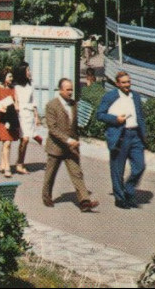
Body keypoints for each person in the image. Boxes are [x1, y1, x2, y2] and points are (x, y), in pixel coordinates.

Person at [43, 78, 99, 211]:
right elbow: (53, 128)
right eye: (67, 89)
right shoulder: (51, 105)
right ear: (60, 90)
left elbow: (73, 126)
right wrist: (68, 140)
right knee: (50, 174)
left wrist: (76, 142)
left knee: (77, 173)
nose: (70, 92)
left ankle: (84, 202)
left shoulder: (74, 104)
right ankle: (46, 197)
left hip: (71, 148)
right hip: (56, 146)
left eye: (71, 89)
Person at [96, 70, 148, 209]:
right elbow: (99, 114)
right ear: (118, 84)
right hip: (120, 135)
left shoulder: (135, 96)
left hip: (135, 135)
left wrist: (144, 133)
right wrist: (115, 119)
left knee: (140, 166)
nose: (127, 85)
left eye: (129, 82)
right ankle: (120, 198)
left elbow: (140, 116)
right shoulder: (110, 96)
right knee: (118, 169)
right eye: (124, 82)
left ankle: (128, 189)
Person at [0, 68, 20, 177]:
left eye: (12, 76)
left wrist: (16, 108)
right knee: (6, 142)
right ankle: (7, 167)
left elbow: (17, 103)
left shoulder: (13, 89)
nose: (11, 79)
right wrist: (4, 109)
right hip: (0, 118)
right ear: (4, 78)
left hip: (10, 118)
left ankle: (2, 164)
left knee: (7, 142)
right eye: (9, 76)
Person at [13, 63, 42, 174]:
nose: (29, 72)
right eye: (28, 70)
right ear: (22, 72)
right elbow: (15, 101)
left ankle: (20, 162)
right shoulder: (15, 86)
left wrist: (36, 116)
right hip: (20, 114)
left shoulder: (30, 85)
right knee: (24, 139)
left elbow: (33, 101)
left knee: (25, 139)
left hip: (29, 114)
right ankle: (19, 164)